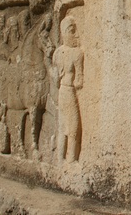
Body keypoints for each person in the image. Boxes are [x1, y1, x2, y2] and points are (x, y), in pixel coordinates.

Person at [53, 16, 85, 163]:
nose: (76, 34)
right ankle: (71, 160)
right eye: (72, 31)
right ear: (65, 32)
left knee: (62, 127)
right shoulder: (77, 53)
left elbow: (55, 79)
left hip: (61, 92)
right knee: (73, 127)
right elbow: (79, 81)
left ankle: (59, 160)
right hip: (70, 92)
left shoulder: (57, 53)